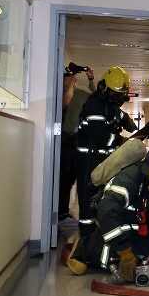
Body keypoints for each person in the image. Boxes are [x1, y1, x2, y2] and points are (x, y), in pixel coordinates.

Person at [67, 155, 149, 281]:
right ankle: (84, 248)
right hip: (117, 225)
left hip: (142, 226)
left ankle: (139, 253)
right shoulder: (128, 179)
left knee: (146, 255)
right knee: (126, 257)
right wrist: (124, 252)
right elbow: (107, 213)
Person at [75, 66, 137, 235]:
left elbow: (117, 114)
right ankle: (87, 233)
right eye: (115, 94)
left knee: (103, 194)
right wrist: (121, 141)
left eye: (120, 94)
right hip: (89, 159)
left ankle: (101, 228)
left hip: (103, 159)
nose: (118, 98)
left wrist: (127, 121)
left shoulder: (109, 103)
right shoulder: (94, 105)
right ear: (104, 88)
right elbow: (101, 136)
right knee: (88, 195)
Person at [58, 63, 93, 222]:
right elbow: (66, 103)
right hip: (63, 144)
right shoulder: (60, 94)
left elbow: (96, 96)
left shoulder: (80, 94)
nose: (67, 86)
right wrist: (71, 83)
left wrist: (90, 79)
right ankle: (61, 212)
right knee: (63, 180)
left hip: (76, 143)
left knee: (71, 180)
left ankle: (64, 212)